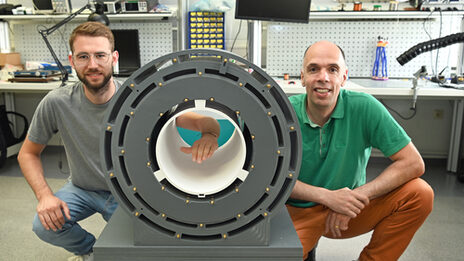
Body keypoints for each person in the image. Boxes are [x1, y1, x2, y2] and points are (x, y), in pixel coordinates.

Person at [17, 22, 220, 261]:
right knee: (44, 226)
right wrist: (45, 196)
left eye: (100, 55)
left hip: (128, 194)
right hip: (81, 188)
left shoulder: (140, 100)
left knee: (155, 247)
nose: (92, 65)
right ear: (71, 61)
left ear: (114, 58)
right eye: (83, 56)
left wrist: (210, 135)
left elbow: (206, 123)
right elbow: (27, 153)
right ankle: (89, 251)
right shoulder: (56, 102)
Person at [286, 40, 434, 261]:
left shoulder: (364, 106)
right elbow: (268, 177)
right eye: (314, 69)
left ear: (344, 77)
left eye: (333, 69)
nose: (323, 77)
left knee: (419, 194)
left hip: (349, 210)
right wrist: (328, 197)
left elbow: (413, 163)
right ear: (302, 77)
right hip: (296, 212)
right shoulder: (283, 113)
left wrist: (354, 197)